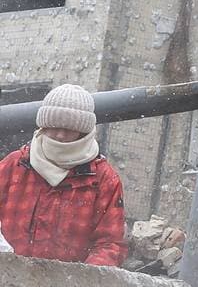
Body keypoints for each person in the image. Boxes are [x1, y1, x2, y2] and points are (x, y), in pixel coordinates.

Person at [0, 85, 126, 267]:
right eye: (54, 126)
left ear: (83, 131)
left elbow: (110, 244)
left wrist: (78, 283)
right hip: (8, 282)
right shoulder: (14, 165)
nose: (60, 135)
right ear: (43, 125)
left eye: (69, 129)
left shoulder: (103, 180)